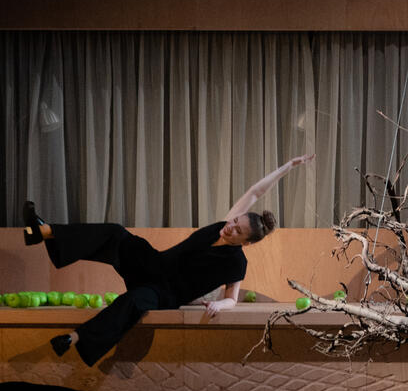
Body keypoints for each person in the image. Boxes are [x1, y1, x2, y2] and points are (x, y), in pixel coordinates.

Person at [23, 153, 315, 366]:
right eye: (234, 221)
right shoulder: (221, 225)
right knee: (115, 234)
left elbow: (232, 299)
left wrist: (219, 305)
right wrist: (288, 167)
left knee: (133, 302)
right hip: (152, 263)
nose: (230, 227)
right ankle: (43, 231)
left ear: (246, 243)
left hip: (164, 294)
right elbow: (255, 192)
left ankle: (73, 339)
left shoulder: (237, 264)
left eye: (237, 231)